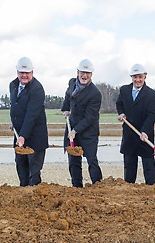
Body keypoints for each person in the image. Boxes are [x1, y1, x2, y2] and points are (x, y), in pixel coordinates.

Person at [61, 59, 103, 188]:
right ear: (77, 72)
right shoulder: (72, 82)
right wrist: (66, 108)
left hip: (88, 131)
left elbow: (90, 117)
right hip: (72, 126)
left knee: (91, 160)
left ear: (91, 74)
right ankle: (77, 187)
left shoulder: (95, 93)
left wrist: (75, 131)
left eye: (88, 73)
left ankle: (98, 186)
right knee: (73, 160)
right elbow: (68, 96)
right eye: (82, 72)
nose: (84, 76)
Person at [116, 64, 155, 185]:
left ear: (145, 77)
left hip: (144, 135)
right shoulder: (124, 90)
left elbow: (151, 115)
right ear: (131, 77)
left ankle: (151, 188)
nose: (138, 80)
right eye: (135, 77)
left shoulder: (151, 94)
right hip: (129, 134)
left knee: (148, 165)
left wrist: (145, 131)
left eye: (140, 77)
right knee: (129, 165)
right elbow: (119, 104)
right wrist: (121, 113)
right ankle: (129, 188)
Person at [9, 57, 49, 186]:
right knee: (21, 166)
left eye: (27, 73)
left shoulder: (37, 89)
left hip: (35, 136)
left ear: (32, 72)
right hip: (20, 135)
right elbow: (15, 107)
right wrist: (14, 123)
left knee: (34, 171)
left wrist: (23, 135)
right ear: (17, 72)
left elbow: (32, 114)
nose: (24, 75)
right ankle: (23, 193)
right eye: (22, 72)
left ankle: (34, 197)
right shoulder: (13, 85)